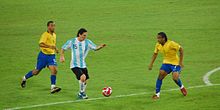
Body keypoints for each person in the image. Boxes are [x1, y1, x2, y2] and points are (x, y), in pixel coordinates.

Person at [60, 28, 106, 99]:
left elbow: (95, 48)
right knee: (83, 77)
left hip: (83, 65)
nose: (85, 37)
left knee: (85, 80)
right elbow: (63, 48)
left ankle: (82, 93)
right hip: (74, 65)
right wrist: (62, 56)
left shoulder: (87, 42)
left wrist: (101, 46)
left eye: (86, 35)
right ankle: (81, 93)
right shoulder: (72, 41)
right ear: (79, 34)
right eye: (84, 35)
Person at [21, 21, 61, 94]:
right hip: (43, 56)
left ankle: (53, 87)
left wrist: (55, 49)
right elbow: (41, 44)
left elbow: (53, 44)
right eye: (52, 26)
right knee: (36, 72)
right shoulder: (45, 35)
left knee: (54, 70)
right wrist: (50, 46)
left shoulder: (54, 35)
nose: (53, 27)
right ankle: (24, 78)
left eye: (54, 26)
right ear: (48, 27)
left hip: (51, 56)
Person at [149, 32, 187, 99]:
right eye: (157, 38)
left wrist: (180, 62)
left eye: (159, 38)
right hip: (166, 63)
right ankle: (157, 94)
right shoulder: (158, 45)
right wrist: (151, 64)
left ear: (164, 38)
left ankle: (182, 87)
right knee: (160, 75)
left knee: (175, 78)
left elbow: (181, 49)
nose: (157, 39)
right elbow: (155, 54)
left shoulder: (171, 43)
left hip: (175, 63)